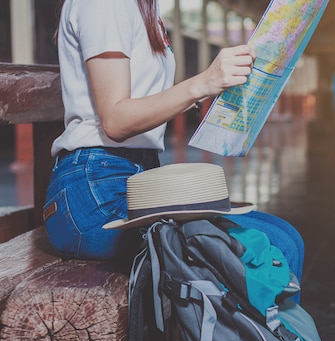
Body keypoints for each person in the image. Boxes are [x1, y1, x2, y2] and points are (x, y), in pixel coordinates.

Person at [44, 0, 304, 282]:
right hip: (94, 193)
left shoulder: (143, 9)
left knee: (286, 236)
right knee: (277, 244)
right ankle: (258, 328)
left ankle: (255, 327)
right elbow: (115, 120)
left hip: (135, 179)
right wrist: (203, 82)